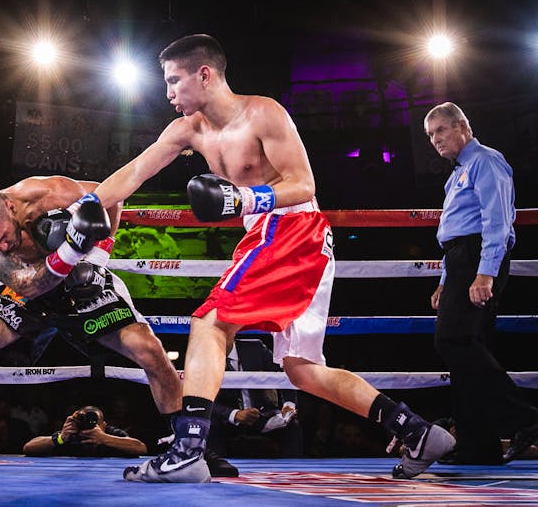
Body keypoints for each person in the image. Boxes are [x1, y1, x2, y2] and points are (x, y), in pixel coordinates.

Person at [86, 33, 455, 482]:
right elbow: (133, 174)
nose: (168, 93)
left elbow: (304, 184)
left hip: (292, 228)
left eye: (174, 80)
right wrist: (78, 210)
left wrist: (244, 199)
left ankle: (187, 450)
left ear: (205, 75)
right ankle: (416, 431)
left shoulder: (263, 113)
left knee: (210, 322)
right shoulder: (188, 130)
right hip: (288, 239)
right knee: (302, 372)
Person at [0, 177, 181, 474]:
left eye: (3, 237)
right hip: (26, 284)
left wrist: (99, 256)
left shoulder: (49, 194)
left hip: (80, 280)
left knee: (150, 349)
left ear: (9, 206)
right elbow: (24, 285)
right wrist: (53, 262)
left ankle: (185, 448)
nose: (0, 246)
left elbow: (114, 196)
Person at [425, 102, 538, 464]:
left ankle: (527, 420)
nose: (436, 140)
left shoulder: (486, 161)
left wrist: (485, 272)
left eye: (441, 130)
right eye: (430, 135)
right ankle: (479, 445)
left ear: (462, 127)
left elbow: (497, 221)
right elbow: (455, 232)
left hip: (478, 259)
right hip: (462, 261)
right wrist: (446, 278)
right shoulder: (458, 172)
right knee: (467, 348)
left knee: (453, 339)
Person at [207, 338, 302, 476]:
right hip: (226, 422)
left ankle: (293, 474)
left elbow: (284, 373)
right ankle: (217, 475)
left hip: (262, 417)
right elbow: (201, 397)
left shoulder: (255, 348)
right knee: (210, 427)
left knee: (292, 426)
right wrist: (234, 414)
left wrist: (288, 405)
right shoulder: (204, 357)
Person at [23, 405, 147, 457]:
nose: (90, 427)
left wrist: (104, 439)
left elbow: (141, 448)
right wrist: (60, 438)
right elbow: (28, 447)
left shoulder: (111, 434)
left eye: (95, 423)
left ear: (104, 426)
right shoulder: (71, 434)